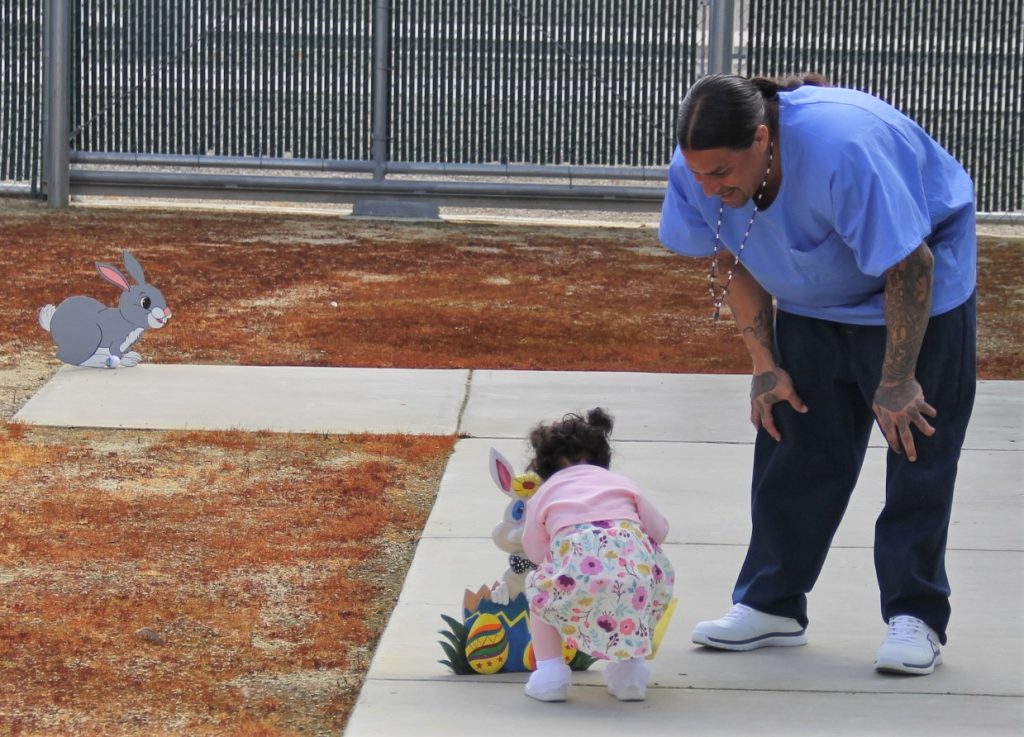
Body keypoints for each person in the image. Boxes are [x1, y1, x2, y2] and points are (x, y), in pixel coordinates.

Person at [658, 73, 977, 675]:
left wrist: (898, 379)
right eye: (697, 174)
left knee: (916, 447)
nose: (708, 186)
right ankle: (770, 604)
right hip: (810, 296)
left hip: (916, 292)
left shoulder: (842, 149)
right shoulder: (701, 170)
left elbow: (911, 266)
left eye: (721, 173)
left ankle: (917, 615)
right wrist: (765, 366)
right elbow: (733, 256)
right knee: (794, 441)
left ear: (761, 139)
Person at [519, 408, 676, 702]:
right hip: (633, 575)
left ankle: (550, 675)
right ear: (603, 458)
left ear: (543, 467)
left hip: (578, 571)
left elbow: (535, 548)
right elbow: (660, 530)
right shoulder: (624, 485)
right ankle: (629, 676)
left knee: (541, 597)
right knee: (634, 605)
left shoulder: (545, 492)